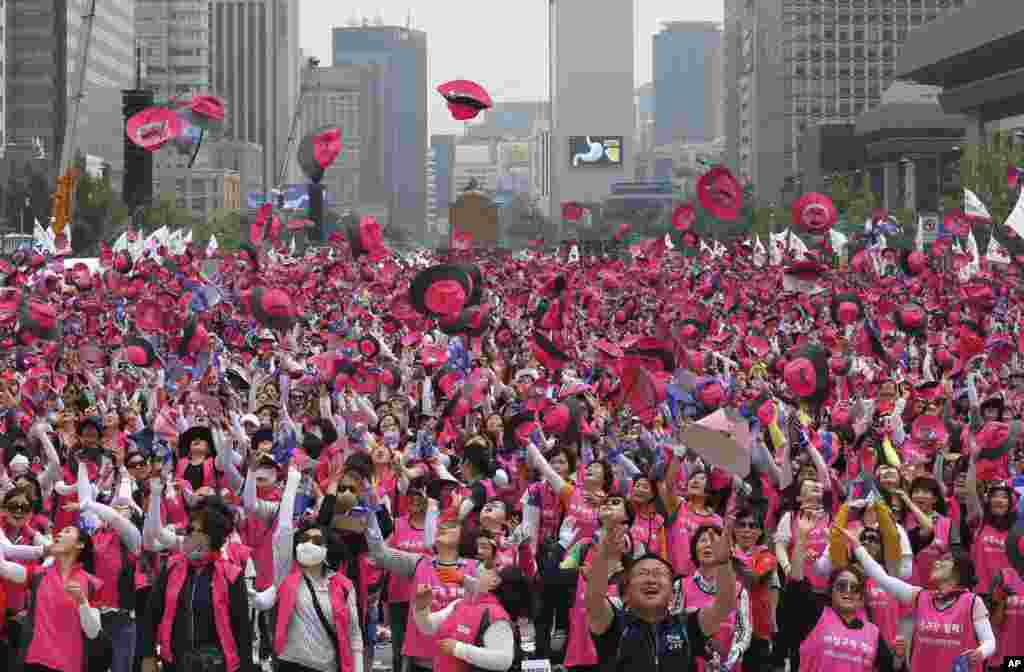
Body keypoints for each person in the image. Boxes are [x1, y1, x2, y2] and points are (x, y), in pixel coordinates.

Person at [586, 521, 737, 672]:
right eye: (643, 573)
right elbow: (593, 599)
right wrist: (604, 557)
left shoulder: (687, 625)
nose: (651, 580)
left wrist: (724, 563)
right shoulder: (613, 622)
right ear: (627, 592)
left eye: (659, 574)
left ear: (672, 593)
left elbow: (724, 605)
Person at [841, 528, 995, 672]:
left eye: (945, 559)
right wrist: (858, 547)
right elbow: (882, 578)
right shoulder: (921, 596)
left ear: (959, 570)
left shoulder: (973, 602)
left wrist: (979, 653)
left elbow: (990, 643)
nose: (936, 562)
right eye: (938, 559)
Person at [138, 496, 254, 672]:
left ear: (211, 537)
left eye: (194, 530)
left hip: (215, 664)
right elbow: (152, 613)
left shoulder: (231, 575)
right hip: (174, 663)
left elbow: (242, 628)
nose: (187, 535)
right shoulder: (172, 567)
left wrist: (245, 667)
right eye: (188, 529)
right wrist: (148, 655)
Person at [10, 520, 103, 672]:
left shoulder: (92, 583)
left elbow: (92, 632)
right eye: (59, 532)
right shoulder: (38, 573)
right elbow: (4, 568)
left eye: (66, 531)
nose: (59, 534)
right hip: (33, 661)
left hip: (68, 666)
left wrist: (82, 601)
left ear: (80, 545)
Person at [412, 567, 531, 672]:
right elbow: (428, 627)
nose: (483, 570)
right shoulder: (461, 603)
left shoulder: (495, 616)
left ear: (494, 582)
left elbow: (504, 660)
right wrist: (421, 608)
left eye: (493, 571)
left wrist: (458, 649)